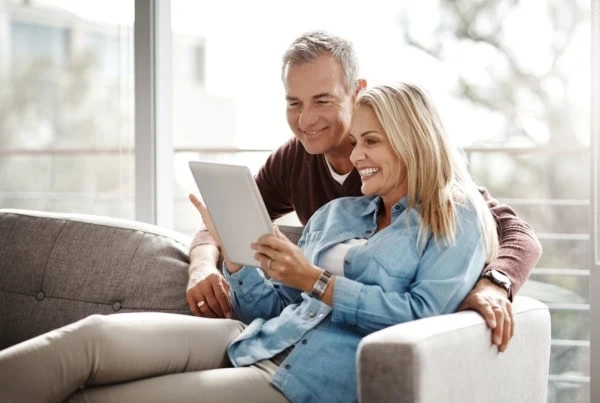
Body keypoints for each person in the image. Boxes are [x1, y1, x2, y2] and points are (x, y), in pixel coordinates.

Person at [0, 82, 500, 403]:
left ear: (413, 140)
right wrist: (237, 257)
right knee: (91, 339)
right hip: (255, 338)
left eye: (372, 141)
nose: (357, 154)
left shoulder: (454, 220)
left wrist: (317, 280)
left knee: (99, 399)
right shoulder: (340, 213)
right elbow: (275, 302)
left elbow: (421, 317)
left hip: (305, 379)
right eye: (358, 140)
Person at [186, 31, 542, 352]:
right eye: (294, 103)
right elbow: (227, 218)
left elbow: (513, 232)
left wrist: (493, 283)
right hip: (300, 331)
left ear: (357, 91)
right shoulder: (295, 160)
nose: (305, 121)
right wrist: (204, 266)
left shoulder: (407, 168)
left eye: (322, 100)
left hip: (350, 344)